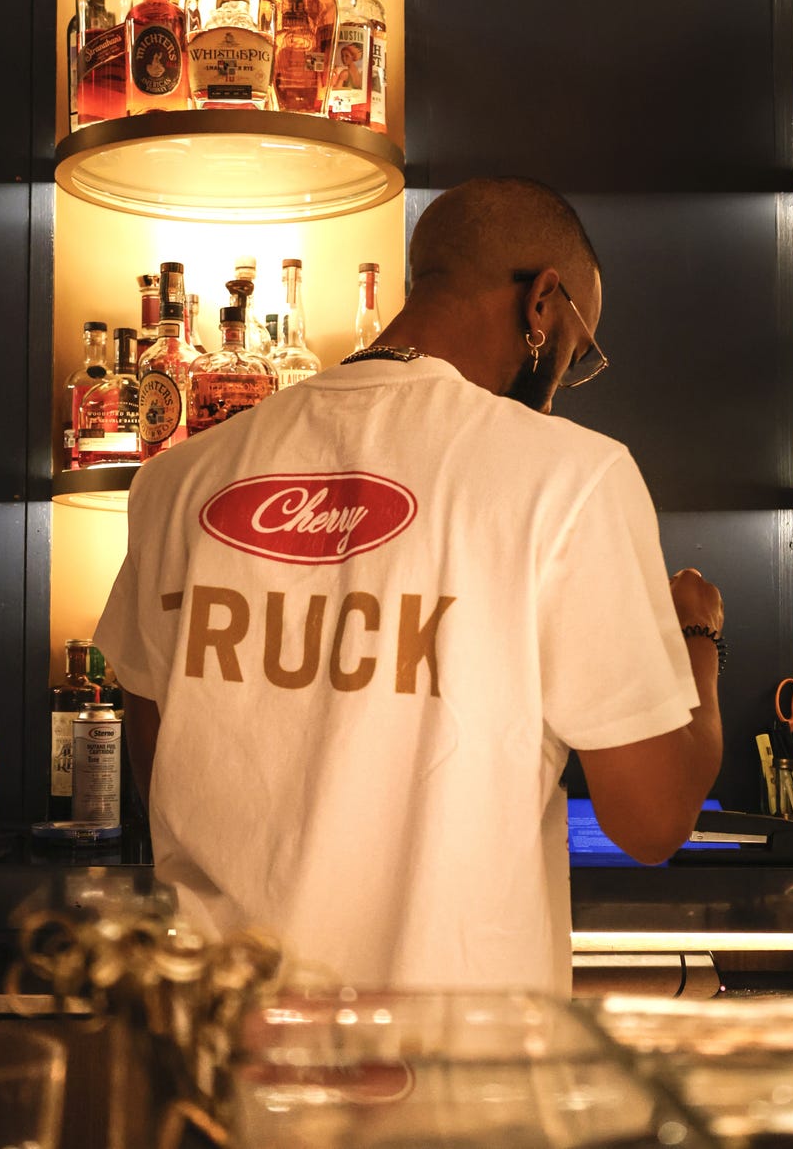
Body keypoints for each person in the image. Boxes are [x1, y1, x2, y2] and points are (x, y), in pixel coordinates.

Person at [94, 176, 724, 995]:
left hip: (224, 1057)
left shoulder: (180, 480)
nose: (567, 374)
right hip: (448, 1074)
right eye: (578, 346)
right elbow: (653, 821)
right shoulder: (571, 478)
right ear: (542, 304)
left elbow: (160, 770)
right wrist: (696, 636)